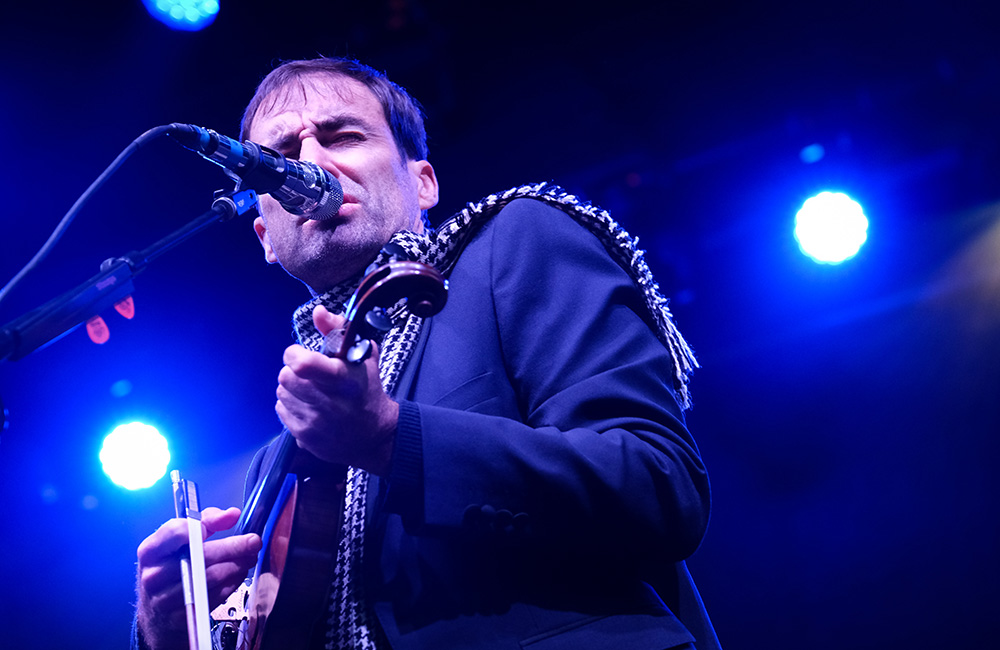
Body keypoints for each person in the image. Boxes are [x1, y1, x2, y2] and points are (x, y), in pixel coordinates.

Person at [133, 57, 720, 650]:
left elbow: (660, 484)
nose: (309, 164)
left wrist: (390, 438)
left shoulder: (513, 242)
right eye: (280, 157)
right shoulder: (276, 465)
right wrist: (171, 634)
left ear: (423, 183)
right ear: (264, 236)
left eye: (343, 135)